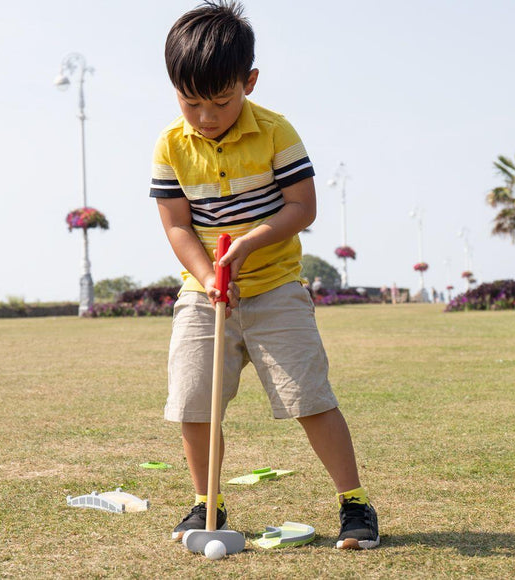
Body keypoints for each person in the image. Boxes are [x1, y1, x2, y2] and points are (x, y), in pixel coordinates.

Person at [149, 0, 379, 550]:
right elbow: (177, 226)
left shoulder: (276, 132)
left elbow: (302, 206)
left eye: (221, 101)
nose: (205, 116)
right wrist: (207, 275)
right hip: (204, 292)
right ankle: (209, 504)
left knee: (310, 399)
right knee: (193, 401)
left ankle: (355, 505)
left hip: (276, 287)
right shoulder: (170, 146)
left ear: (249, 82)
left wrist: (251, 243)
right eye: (191, 102)